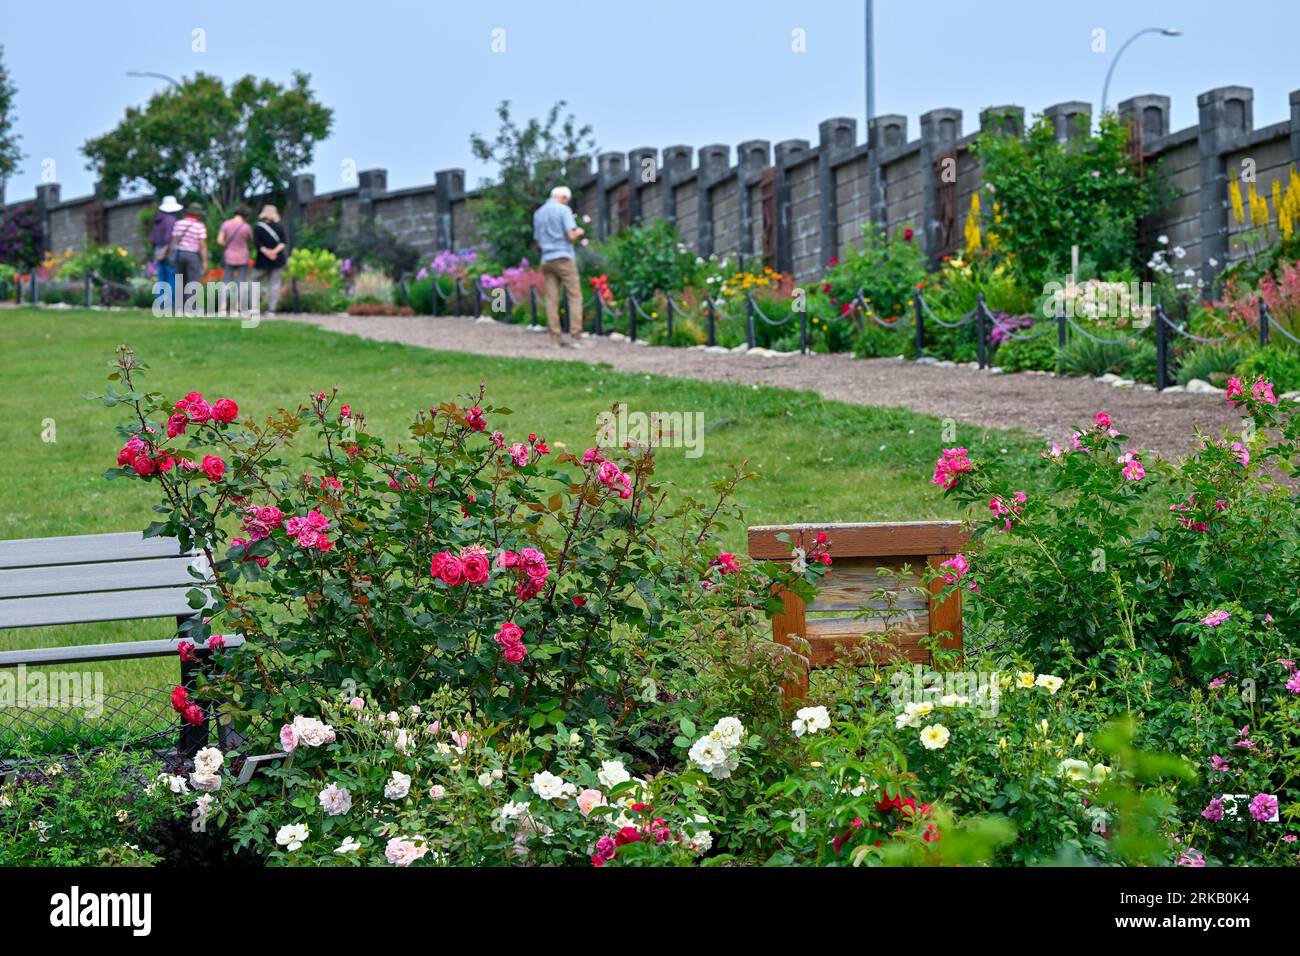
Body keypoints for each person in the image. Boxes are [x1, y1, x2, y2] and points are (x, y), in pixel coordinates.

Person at [532, 185, 585, 347]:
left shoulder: (538, 213)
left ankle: (555, 338)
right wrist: (579, 232)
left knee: (552, 299)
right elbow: (570, 236)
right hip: (564, 257)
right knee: (574, 296)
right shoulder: (564, 211)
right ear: (563, 197)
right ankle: (575, 337)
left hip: (547, 259)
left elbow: (538, 242)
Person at [251, 204, 288, 313]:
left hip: (262, 260)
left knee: (254, 281)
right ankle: (272, 309)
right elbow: (283, 242)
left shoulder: (258, 227)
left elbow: (257, 243)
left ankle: (254, 307)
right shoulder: (279, 227)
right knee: (274, 284)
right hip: (277, 259)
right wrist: (274, 252)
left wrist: (267, 252)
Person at [217, 205, 253, 309]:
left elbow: (219, 240)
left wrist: (228, 246)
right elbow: (251, 239)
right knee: (240, 281)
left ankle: (223, 304)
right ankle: (238, 304)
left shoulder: (226, 224)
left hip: (229, 256)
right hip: (243, 256)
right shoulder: (246, 227)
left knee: (226, 281)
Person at [168, 203, 208, 297]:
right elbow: (202, 245)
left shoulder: (179, 223)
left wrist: (171, 254)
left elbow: (174, 240)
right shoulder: (199, 226)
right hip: (192, 255)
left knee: (180, 280)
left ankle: (179, 306)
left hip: (179, 253)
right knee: (192, 281)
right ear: (198, 215)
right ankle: (190, 307)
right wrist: (204, 261)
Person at [150, 195, 182, 297]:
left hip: (157, 248)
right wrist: (165, 250)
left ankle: (160, 301)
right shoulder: (171, 219)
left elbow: (152, 237)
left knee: (161, 275)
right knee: (171, 274)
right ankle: (171, 302)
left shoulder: (158, 219)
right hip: (168, 249)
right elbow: (169, 237)